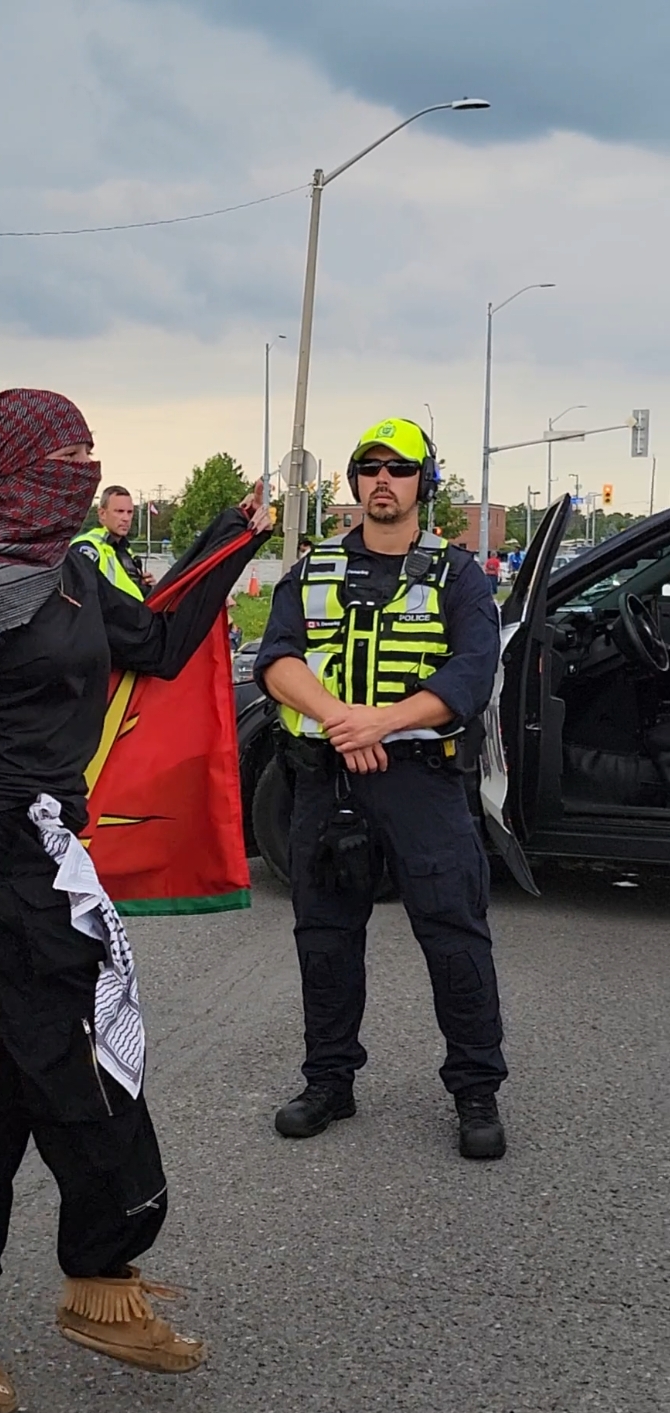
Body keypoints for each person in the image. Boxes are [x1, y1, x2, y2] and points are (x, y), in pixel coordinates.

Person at [0, 389, 271, 1413]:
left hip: (47, 850)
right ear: (15, 469)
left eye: (90, 450)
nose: (81, 468)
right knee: (78, 1057)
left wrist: (232, 539)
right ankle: (103, 1275)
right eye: (63, 453)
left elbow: (157, 645)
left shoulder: (71, 570)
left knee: (14, 1082)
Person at [254, 416, 507, 1158]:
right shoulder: (313, 569)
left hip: (422, 783)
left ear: (424, 483)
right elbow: (278, 657)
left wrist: (384, 723)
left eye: (398, 469)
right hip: (325, 778)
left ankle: (475, 1090)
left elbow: (470, 674)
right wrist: (341, 720)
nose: (383, 481)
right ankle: (329, 1082)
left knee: (454, 935)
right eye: (370, 468)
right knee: (325, 939)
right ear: (355, 482)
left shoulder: (460, 576)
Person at [73, 483, 153, 597]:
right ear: (102, 514)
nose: (126, 518)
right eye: (119, 511)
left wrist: (143, 587)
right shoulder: (87, 546)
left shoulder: (125, 550)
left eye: (129, 512)